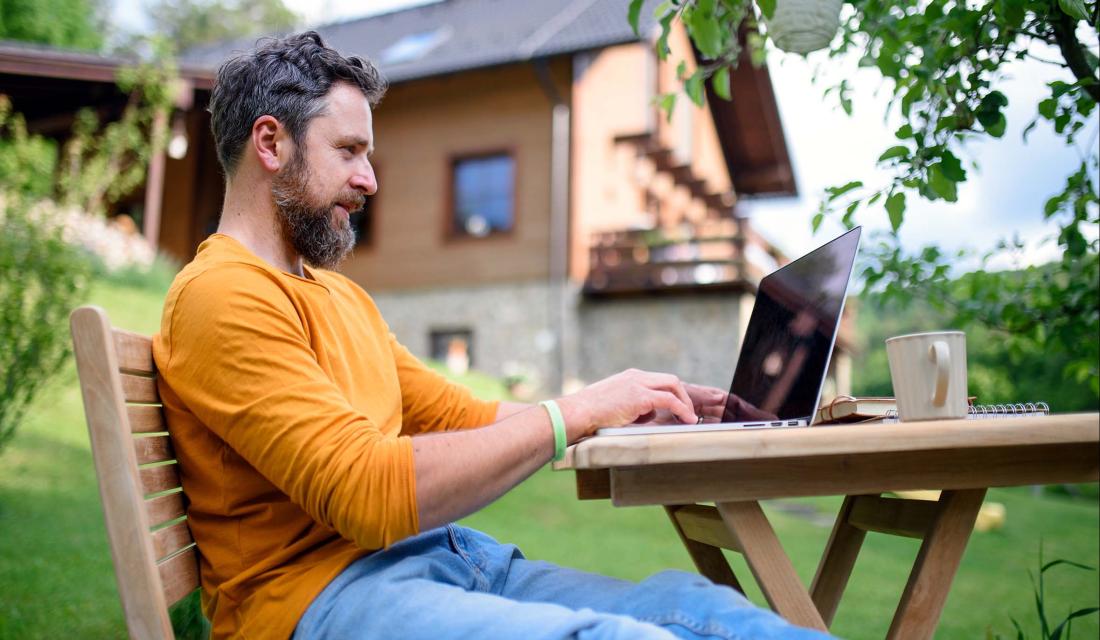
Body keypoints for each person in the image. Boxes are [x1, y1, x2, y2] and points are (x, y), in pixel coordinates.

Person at [152, 31, 832, 640]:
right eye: (350, 152)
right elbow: (367, 494)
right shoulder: (222, 296)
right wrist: (573, 415)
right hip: (318, 601)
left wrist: (622, 410)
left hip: (448, 561)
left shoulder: (338, 296)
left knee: (701, 611)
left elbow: (460, 417)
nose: (370, 179)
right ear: (270, 143)